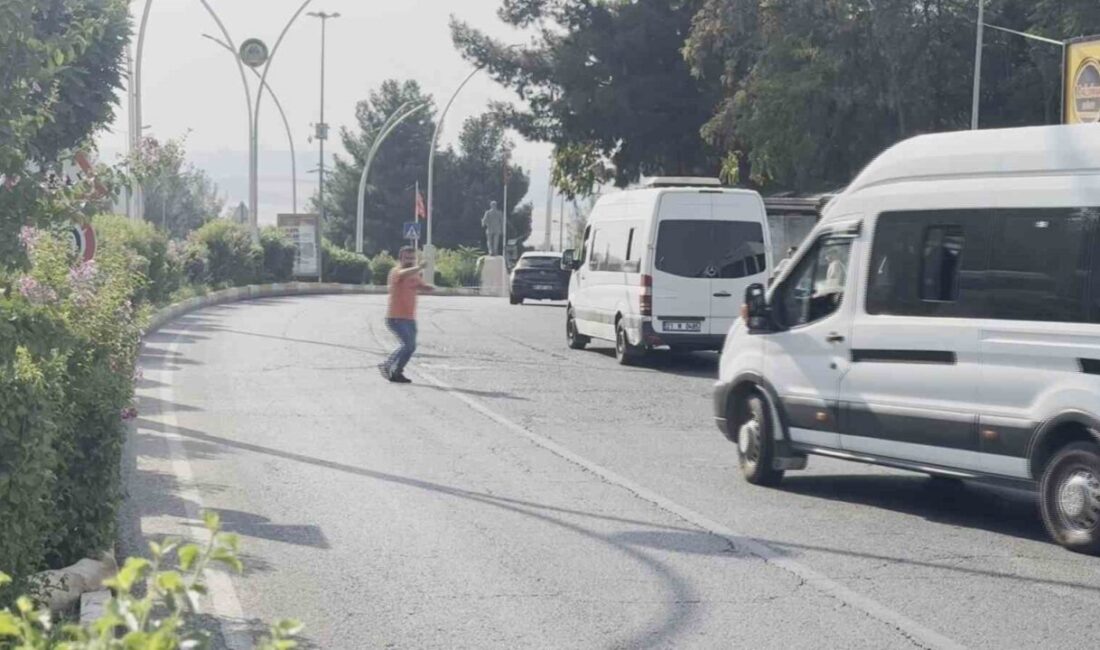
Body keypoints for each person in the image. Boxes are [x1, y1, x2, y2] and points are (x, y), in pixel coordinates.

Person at [378, 246, 434, 384]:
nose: (410, 260)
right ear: (400, 258)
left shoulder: (415, 274)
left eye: (412, 258)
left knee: (411, 347)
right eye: (407, 258)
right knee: (408, 345)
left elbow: (419, 285)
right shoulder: (396, 271)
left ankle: (396, 372)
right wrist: (419, 267)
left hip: (410, 317)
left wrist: (427, 287)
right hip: (396, 317)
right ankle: (387, 365)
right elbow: (403, 274)